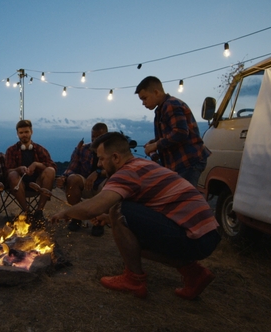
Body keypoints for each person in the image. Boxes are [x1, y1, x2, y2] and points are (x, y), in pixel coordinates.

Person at [50, 132, 221, 300]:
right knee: (129, 237)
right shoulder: (140, 165)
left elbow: (93, 207)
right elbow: (149, 215)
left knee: (118, 208)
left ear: (115, 157)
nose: (99, 164)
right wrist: (108, 219)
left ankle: (133, 279)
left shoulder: (126, 172)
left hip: (194, 237)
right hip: (205, 235)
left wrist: (65, 213)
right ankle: (194, 274)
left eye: (101, 159)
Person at [135, 76, 210, 187]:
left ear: (156, 92)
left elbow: (180, 132)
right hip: (181, 163)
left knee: (185, 199)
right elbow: (170, 134)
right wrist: (154, 143)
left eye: (144, 98)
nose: (143, 103)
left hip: (188, 162)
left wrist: (156, 145)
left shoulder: (170, 105)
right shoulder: (161, 109)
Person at [56, 122, 108, 236]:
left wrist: (98, 172)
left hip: (103, 185)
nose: (95, 140)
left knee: (110, 184)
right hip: (85, 184)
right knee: (72, 179)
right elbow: (72, 167)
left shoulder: (111, 151)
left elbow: (115, 172)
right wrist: (64, 177)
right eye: (93, 137)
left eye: (98, 137)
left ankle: (98, 221)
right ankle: (77, 216)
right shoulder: (83, 149)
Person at [5, 119, 57, 225]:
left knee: (50, 171)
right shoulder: (11, 150)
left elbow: (52, 166)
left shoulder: (40, 149)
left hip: (38, 184)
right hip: (19, 185)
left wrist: (36, 164)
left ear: (31, 132)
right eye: (21, 133)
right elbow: (8, 170)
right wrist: (19, 169)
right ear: (17, 134)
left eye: (26, 132)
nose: (24, 135)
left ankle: (39, 212)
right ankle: (27, 212)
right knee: (13, 174)